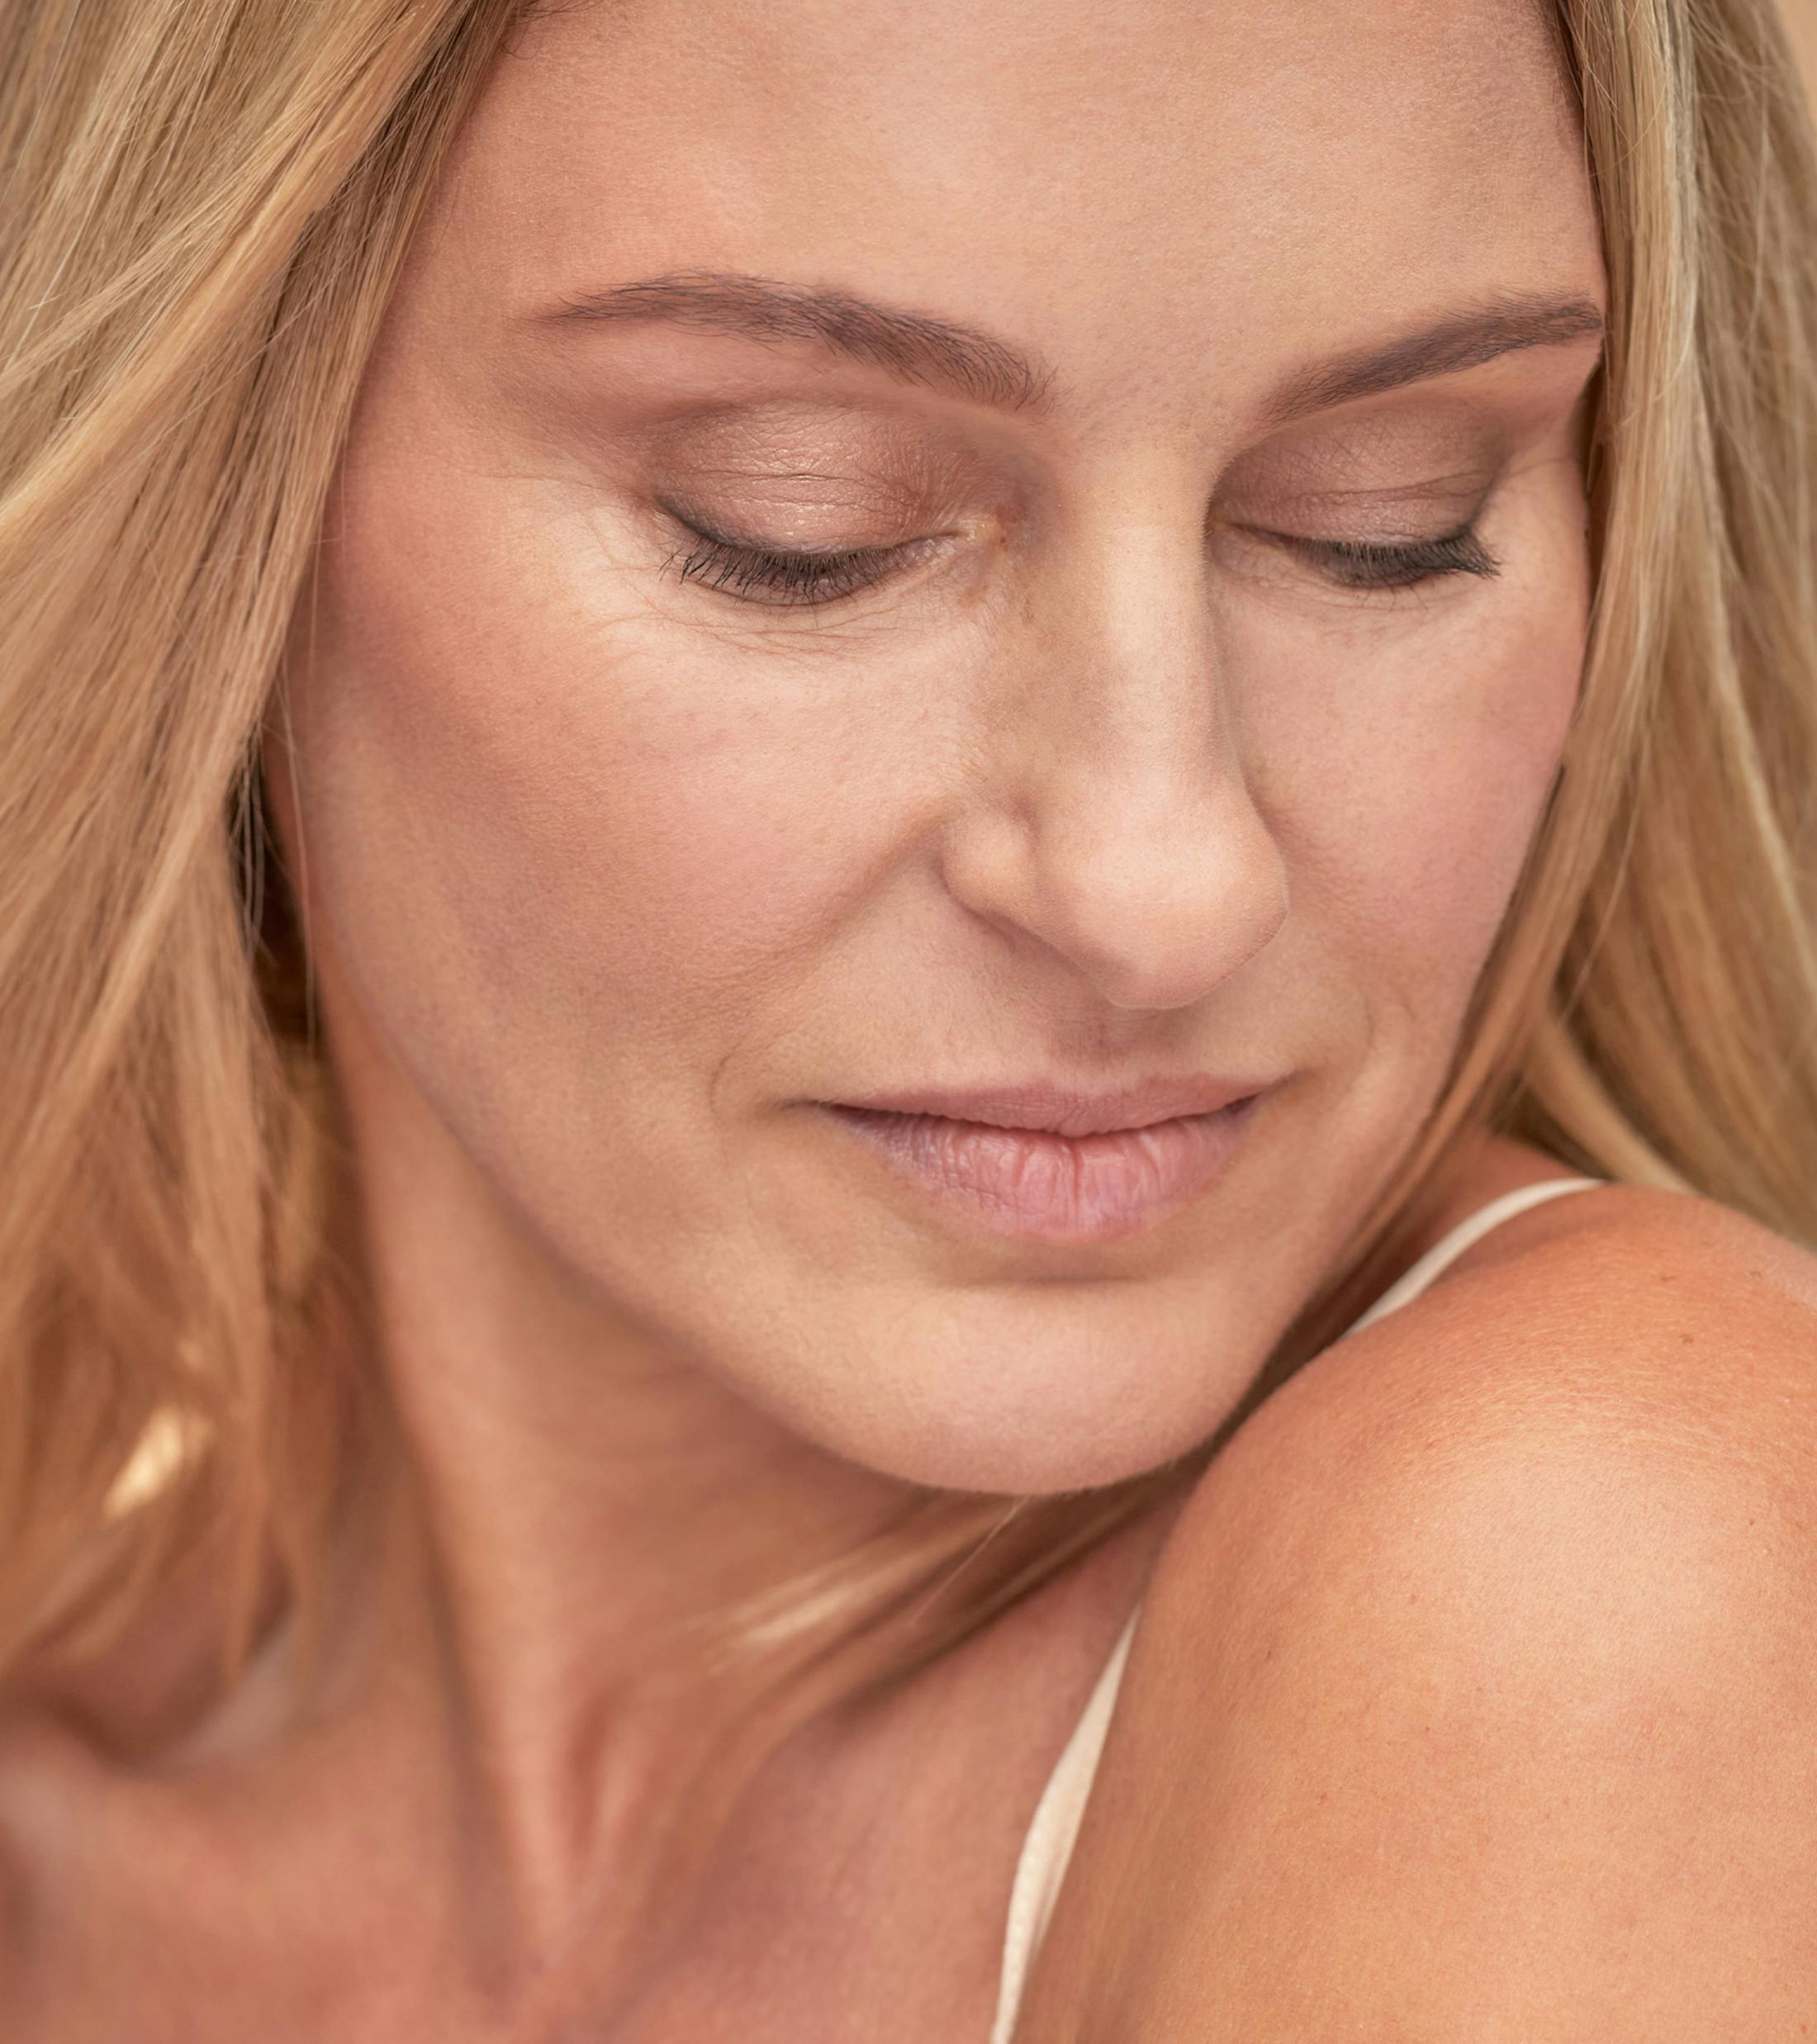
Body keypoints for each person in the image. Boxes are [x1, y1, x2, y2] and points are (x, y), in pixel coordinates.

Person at [2, 0, 1815, 2032]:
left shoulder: (1585, 1557)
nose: (1163, 877)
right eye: (806, 530)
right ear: (215, 506)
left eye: (1383, 517)